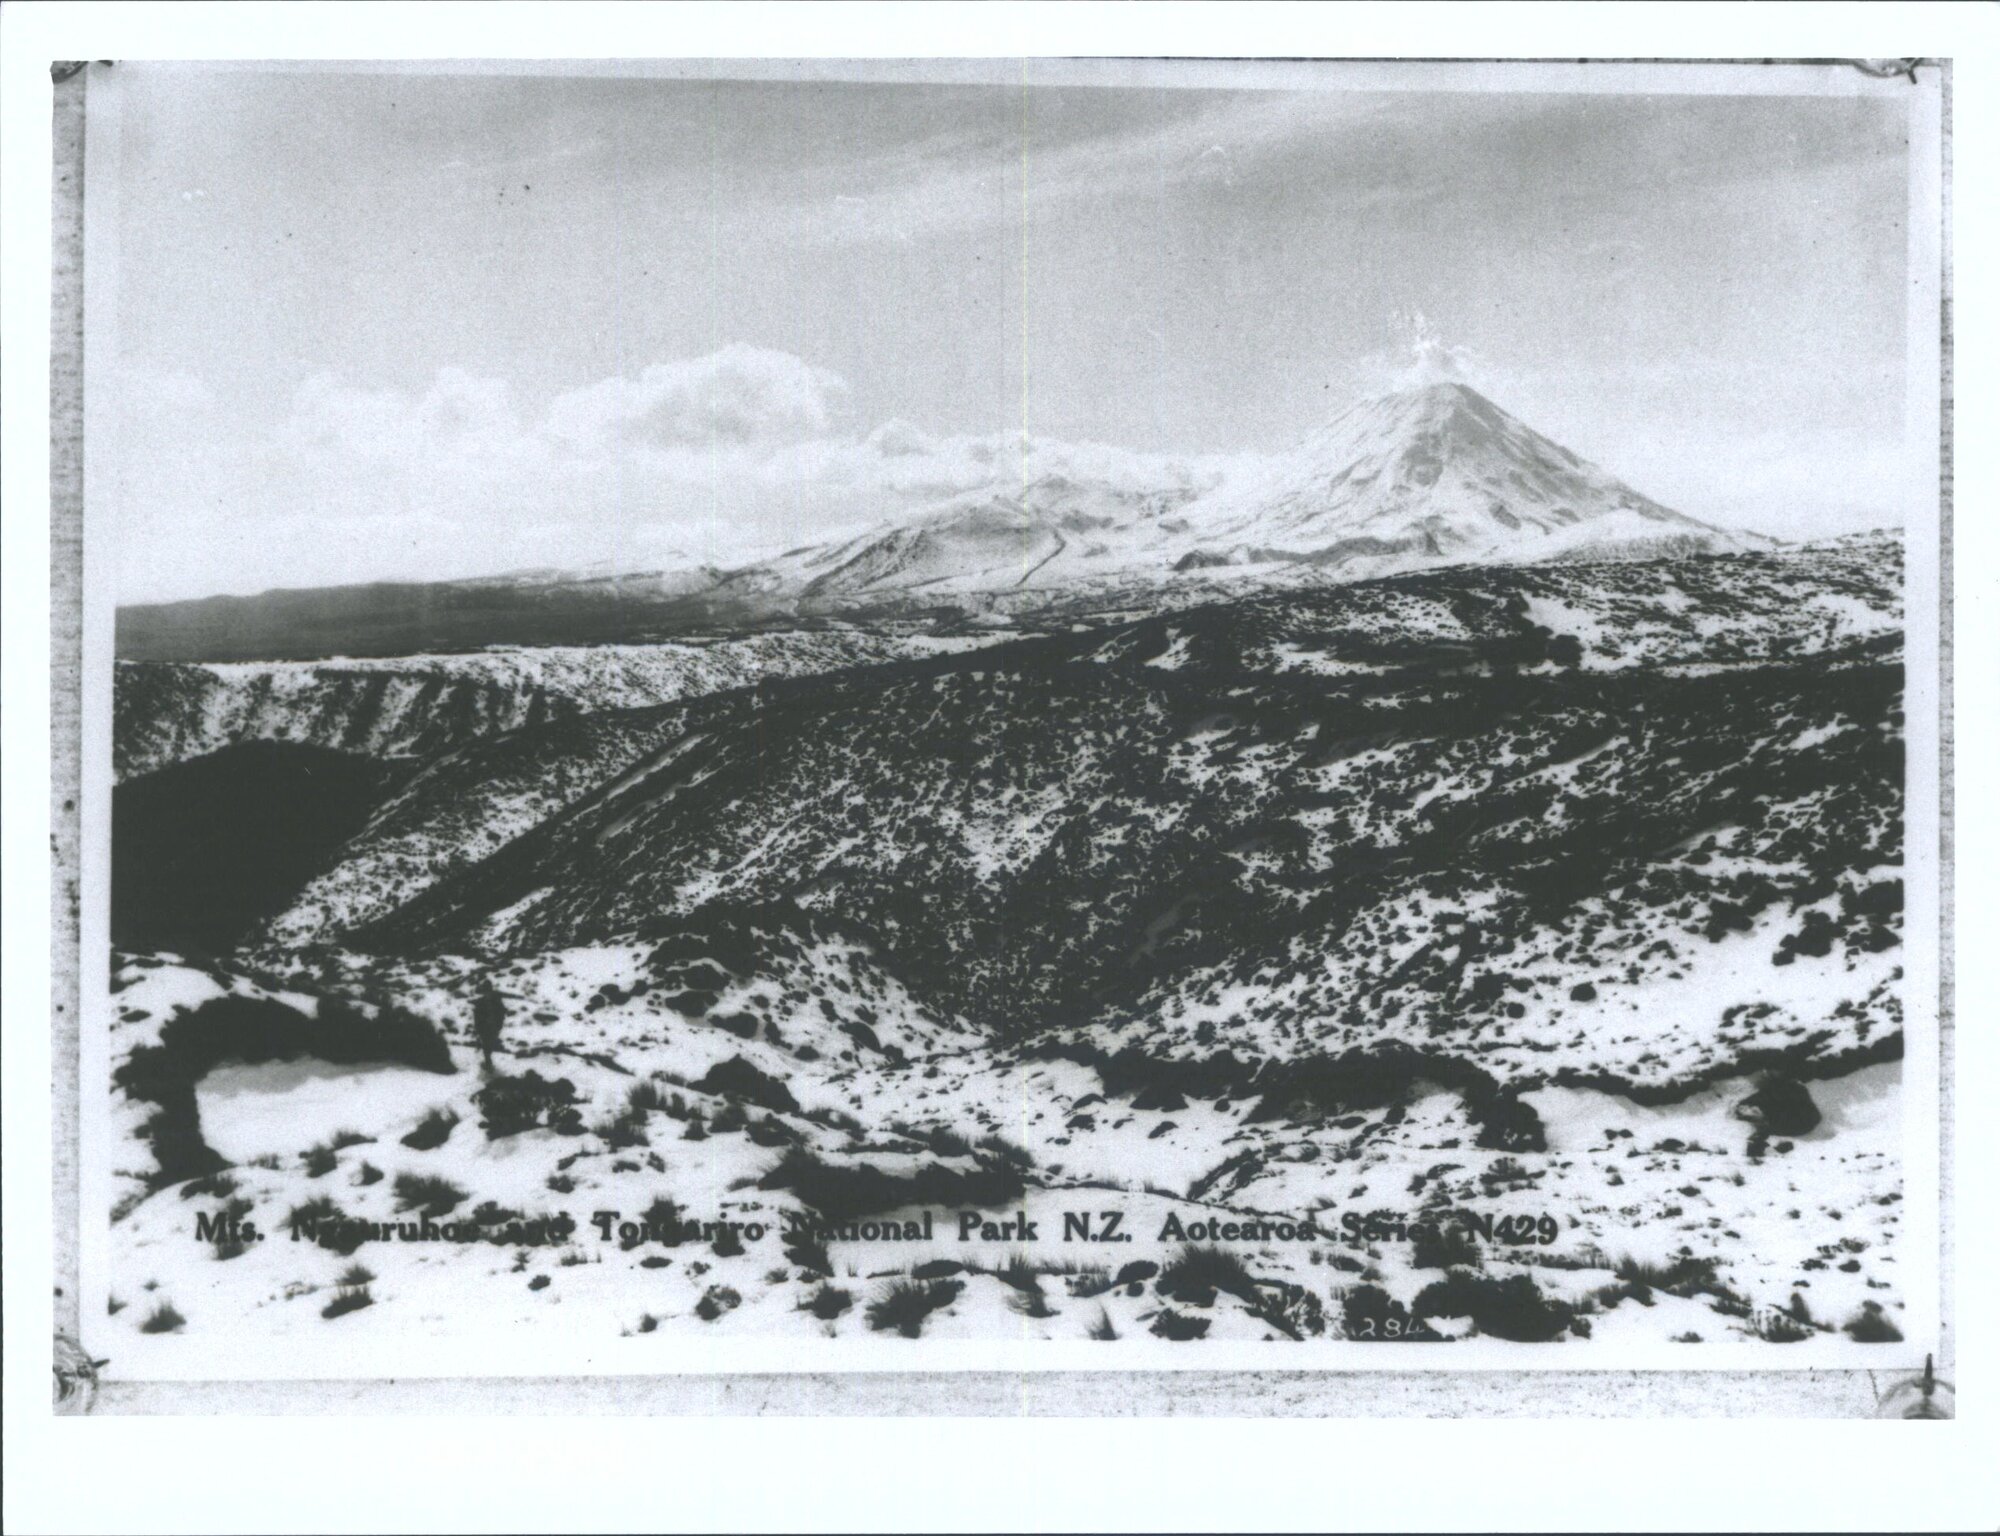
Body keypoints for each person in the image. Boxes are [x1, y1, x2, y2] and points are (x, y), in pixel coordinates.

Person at [471, 987, 507, 1067]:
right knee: (486, 1043)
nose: (487, 994)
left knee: (489, 1043)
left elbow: (501, 1013)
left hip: (494, 1027)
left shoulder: (496, 1002)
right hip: (483, 1027)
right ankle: (488, 1060)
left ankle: (488, 1059)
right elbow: (477, 1015)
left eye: (488, 991)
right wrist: (478, 1027)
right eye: (485, 992)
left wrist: (499, 1025)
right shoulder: (481, 1002)